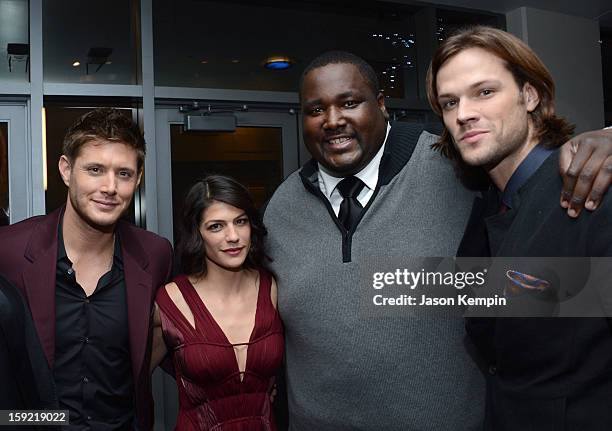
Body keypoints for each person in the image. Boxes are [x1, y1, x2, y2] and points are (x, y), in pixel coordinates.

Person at [262, 50, 612, 430]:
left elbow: (553, 285)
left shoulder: (458, 169)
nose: (333, 120)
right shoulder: (281, 207)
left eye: (349, 103)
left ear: (381, 105)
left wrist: (606, 139)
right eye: (315, 110)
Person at [427, 26, 612, 429]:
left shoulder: (592, 189)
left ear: (530, 96)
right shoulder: (487, 207)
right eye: (449, 102)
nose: (463, 114)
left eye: (485, 92)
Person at [0, 108, 173, 430]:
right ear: (66, 170)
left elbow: (172, 334)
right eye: (95, 169)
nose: (110, 187)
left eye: (123, 173)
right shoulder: (8, 251)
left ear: (138, 178)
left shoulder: (156, 254)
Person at [151, 175, 283, 430]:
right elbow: (131, 384)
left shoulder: (273, 288)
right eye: (216, 226)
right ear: (197, 233)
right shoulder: (171, 301)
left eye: (240, 221)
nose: (233, 236)